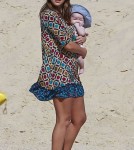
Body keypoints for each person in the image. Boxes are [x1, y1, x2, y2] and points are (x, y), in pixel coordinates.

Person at [29, 0, 87, 150]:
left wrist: (82, 39)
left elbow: (73, 38)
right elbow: (67, 44)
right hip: (58, 72)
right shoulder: (48, 14)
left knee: (79, 118)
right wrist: (83, 51)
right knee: (64, 119)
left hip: (72, 72)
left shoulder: (65, 15)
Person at [71, 4, 92, 75]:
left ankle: (82, 67)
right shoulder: (69, 26)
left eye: (80, 20)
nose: (78, 21)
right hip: (71, 46)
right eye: (75, 19)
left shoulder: (81, 27)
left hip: (78, 45)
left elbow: (82, 33)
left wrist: (77, 26)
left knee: (79, 58)